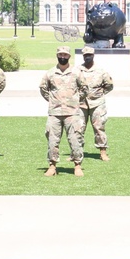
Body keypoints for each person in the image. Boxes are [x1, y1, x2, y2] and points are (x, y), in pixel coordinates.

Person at [39, 46, 86, 177]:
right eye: (60, 55)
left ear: (69, 57)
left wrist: (75, 100)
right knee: (52, 141)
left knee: (75, 139)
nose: (62, 57)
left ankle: (77, 165)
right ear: (57, 56)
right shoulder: (50, 73)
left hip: (72, 112)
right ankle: (52, 166)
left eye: (65, 55)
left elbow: (84, 89)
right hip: (55, 113)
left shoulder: (77, 72)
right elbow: (43, 89)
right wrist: (53, 101)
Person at [75, 45, 114, 161]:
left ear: (93, 56)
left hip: (97, 104)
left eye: (89, 55)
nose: (87, 57)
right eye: (85, 55)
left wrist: (99, 94)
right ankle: (76, 153)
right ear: (83, 56)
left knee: (99, 127)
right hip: (81, 104)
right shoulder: (76, 70)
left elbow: (109, 85)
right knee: (78, 128)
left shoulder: (101, 71)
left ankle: (102, 151)